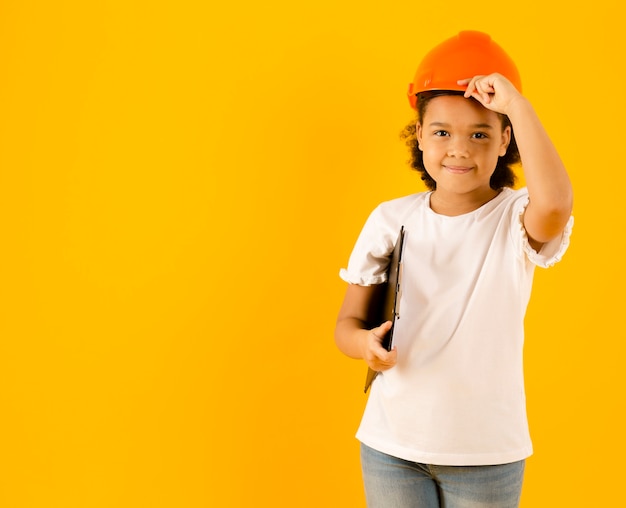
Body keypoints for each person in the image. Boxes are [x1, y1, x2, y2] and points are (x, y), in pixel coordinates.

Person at [334, 31, 573, 508]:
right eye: (441, 131)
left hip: (486, 451)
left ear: (507, 138)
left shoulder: (514, 218)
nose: (459, 149)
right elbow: (346, 325)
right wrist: (365, 345)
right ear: (419, 135)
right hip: (391, 445)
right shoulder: (390, 219)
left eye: (480, 133)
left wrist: (516, 104)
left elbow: (556, 205)